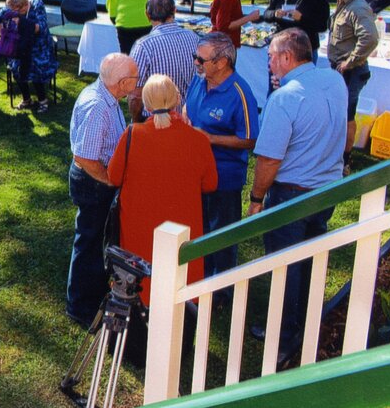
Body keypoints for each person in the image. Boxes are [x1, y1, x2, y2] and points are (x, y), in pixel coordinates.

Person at [248, 28, 347, 365]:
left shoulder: (285, 98)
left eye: (272, 57)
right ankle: (305, 323)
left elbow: (269, 159)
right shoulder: (334, 80)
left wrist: (256, 198)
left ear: (287, 58)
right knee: (310, 258)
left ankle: (282, 335)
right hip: (327, 189)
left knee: (284, 266)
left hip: (291, 194)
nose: (270, 63)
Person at [108, 74, 217, 305]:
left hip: (139, 227)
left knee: (141, 284)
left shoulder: (131, 136)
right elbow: (210, 184)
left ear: (146, 104)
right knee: (181, 281)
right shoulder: (198, 140)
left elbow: (113, 176)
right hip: (182, 228)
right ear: (177, 100)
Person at [65, 53, 139, 326]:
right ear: (121, 82)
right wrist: (108, 179)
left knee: (94, 240)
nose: (137, 81)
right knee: (89, 242)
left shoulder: (106, 95)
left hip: (94, 181)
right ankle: (80, 308)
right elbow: (84, 156)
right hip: (93, 183)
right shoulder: (98, 106)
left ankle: (90, 294)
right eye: (134, 78)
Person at [183, 32, 259, 294]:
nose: (196, 63)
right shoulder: (199, 79)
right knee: (199, 227)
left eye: (201, 59)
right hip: (195, 173)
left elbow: (249, 140)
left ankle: (222, 289)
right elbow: (187, 107)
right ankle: (201, 277)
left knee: (223, 233)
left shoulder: (240, 93)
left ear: (222, 62)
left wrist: (211, 139)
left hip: (224, 176)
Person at [327, 0, 379, 173]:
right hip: (340, 70)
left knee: (347, 116)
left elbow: (371, 38)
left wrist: (350, 61)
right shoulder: (344, 3)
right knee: (340, 114)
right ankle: (336, 155)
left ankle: (344, 161)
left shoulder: (357, 7)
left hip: (350, 72)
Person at [129, 0, 199, 121]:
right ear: (174, 10)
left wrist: (137, 123)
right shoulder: (194, 38)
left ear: (147, 15)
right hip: (188, 119)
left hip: (155, 122)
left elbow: (135, 96)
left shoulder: (143, 46)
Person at [0, 0, 59, 113]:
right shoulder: (11, 9)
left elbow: (41, 27)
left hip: (38, 45)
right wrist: (4, 36)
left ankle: (43, 100)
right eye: (13, 11)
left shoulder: (37, 5)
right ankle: (26, 99)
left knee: (35, 65)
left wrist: (22, 22)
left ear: (25, 5)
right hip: (20, 44)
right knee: (16, 65)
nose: (15, 13)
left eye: (18, 11)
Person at [262, 0, 330, 63]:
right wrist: (275, 14)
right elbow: (266, 14)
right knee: (275, 79)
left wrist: (302, 18)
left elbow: (322, 26)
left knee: (302, 79)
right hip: (281, 47)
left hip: (304, 51)